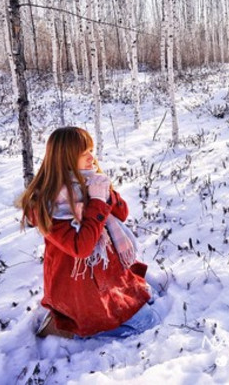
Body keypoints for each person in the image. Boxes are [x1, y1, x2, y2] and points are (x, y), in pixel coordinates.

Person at [19, 126, 157, 339]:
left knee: (148, 302)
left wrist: (104, 193)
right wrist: (97, 202)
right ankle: (66, 327)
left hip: (106, 274)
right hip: (78, 287)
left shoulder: (91, 182)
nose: (92, 157)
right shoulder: (49, 203)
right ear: (65, 159)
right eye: (84, 153)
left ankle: (79, 323)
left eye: (91, 150)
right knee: (148, 323)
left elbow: (122, 212)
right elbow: (81, 247)